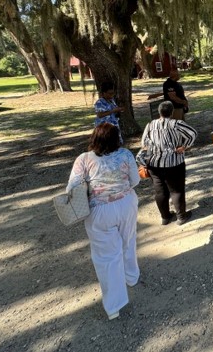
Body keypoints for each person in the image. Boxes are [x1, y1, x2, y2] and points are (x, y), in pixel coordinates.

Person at [65, 123, 140, 320]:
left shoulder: (84, 159)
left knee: (107, 256)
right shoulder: (125, 155)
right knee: (128, 240)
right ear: (117, 138)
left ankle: (114, 304)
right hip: (126, 203)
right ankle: (131, 277)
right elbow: (135, 180)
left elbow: (72, 188)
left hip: (99, 210)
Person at [141, 101, 198, 225]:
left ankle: (165, 217)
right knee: (176, 190)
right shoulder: (176, 124)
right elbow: (193, 133)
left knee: (160, 191)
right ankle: (181, 217)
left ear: (159, 112)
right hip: (174, 162)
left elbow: (144, 143)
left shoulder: (150, 125)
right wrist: (184, 146)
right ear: (172, 112)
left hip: (154, 163)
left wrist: (156, 148)